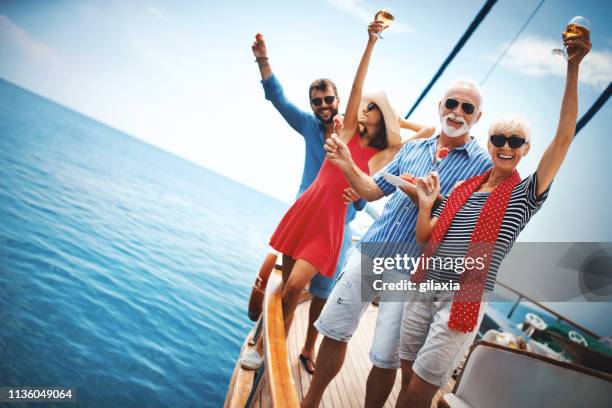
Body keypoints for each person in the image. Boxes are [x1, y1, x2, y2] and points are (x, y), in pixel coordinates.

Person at [396, 32, 591, 408]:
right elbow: (426, 236)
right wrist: (425, 205)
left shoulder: (524, 196)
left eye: (515, 142)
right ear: (488, 144)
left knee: (421, 391)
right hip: (423, 287)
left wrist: (573, 67)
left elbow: (565, 137)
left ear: (525, 150)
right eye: (499, 138)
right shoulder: (462, 190)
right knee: (406, 381)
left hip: (461, 297)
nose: (505, 146)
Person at [241, 33, 434, 373]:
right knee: (289, 288)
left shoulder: (384, 152)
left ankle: (278, 346)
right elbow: (353, 86)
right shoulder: (339, 132)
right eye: (364, 104)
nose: (362, 108)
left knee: (305, 286)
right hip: (305, 210)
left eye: (371, 107)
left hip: (333, 223)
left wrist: (393, 117)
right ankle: (273, 346)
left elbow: (429, 130)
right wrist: (371, 41)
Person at [303, 82, 494, 408]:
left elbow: (468, 225)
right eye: (452, 103)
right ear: (440, 106)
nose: (457, 112)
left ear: (478, 117)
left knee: (385, 357)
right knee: (335, 330)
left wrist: (428, 201)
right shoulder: (413, 149)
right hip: (372, 249)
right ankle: (310, 402)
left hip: (413, 271)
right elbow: (371, 190)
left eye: (467, 108)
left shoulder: (483, 166)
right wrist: (348, 163)